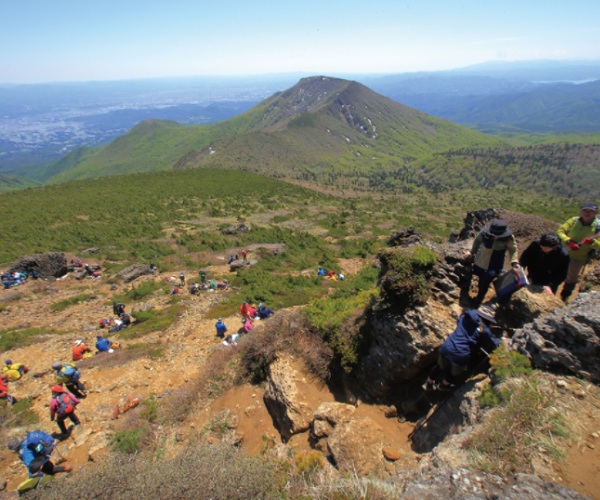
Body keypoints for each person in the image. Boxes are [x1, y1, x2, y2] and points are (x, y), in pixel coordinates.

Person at [424, 309, 502, 391]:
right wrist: (501, 339)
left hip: (448, 346)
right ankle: (444, 385)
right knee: (455, 372)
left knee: (439, 365)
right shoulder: (484, 331)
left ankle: (429, 382)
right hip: (460, 354)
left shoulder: (465, 317)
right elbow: (492, 342)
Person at [464, 219, 518, 306]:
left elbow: (513, 250)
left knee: (484, 283)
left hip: (494, 264)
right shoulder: (484, 233)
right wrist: (472, 252)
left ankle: (479, 299)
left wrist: (514, 262)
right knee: (479, 277)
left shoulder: (508, 238)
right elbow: (477, 241)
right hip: (481, 261)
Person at [557, 201, 600, 302]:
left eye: (590, 211)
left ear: (595, 212)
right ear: (581, 211)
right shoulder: (574, 220)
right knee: (555, 273)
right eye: (585, 210)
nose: (587, 213)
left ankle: (564, 298)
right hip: (563, 253)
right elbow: (560, 231)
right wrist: (569, 241)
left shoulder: (598, 227)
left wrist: (592, 242)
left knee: (571, 279)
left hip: (579, 258)